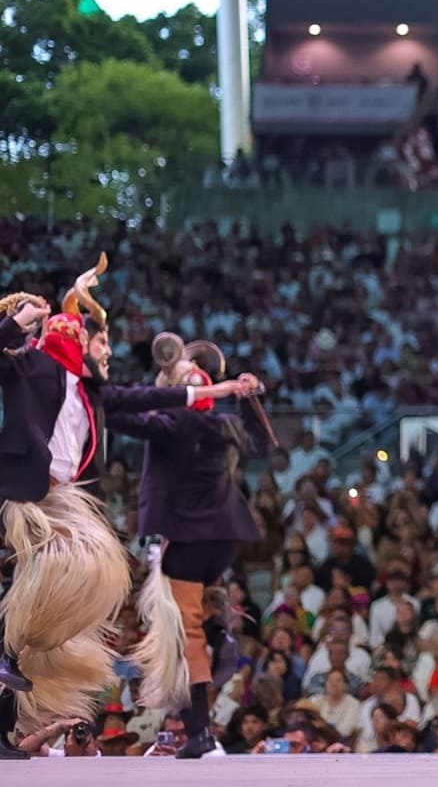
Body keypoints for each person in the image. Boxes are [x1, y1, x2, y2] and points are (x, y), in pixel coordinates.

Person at [0, 269, 257, 759]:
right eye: (103, 344)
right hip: (34, 497)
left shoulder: (96, 394)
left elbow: (142, 401)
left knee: (93, 586)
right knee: (81, 572)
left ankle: (11, 675)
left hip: (79, 504)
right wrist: (24, 321)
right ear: (76, 339)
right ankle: (9, 649)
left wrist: (213, 391)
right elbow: (141, 399)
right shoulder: (36, 369)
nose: (110, 354)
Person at [118, 333, 272, 759]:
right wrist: (246, 396)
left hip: (184, 538)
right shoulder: (220, 425)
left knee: (183, 635)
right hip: (223, 537)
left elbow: (117, 411)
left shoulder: (169, 424)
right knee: (204, 614)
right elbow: (263, 443)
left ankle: (202, 735)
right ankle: (221, 634)